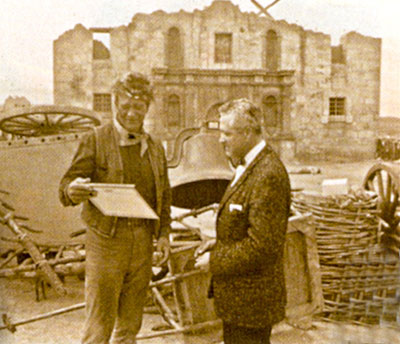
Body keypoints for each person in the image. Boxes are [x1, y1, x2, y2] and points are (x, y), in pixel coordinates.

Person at [59, 72, 171, 344]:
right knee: (99, 328)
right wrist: (71, 190)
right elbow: (66, 185)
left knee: (130, 327)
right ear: (115, 102)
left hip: (142, 242)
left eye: (139, 106)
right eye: (126, 105)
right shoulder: (95, 140)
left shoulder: (155, 147)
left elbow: (164, 195)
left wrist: (164, 234)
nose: (132, 113)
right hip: (106, 243)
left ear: (147, 107)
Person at [195, 98, 291, 344]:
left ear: (247, 133)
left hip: (253, 306)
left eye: (226, 133)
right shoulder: (250, 166)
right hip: (241, 303)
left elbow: (262, 246)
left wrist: (214, 261)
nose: (220, 139)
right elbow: (247, 225)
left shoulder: (267, 174)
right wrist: (219, 242)